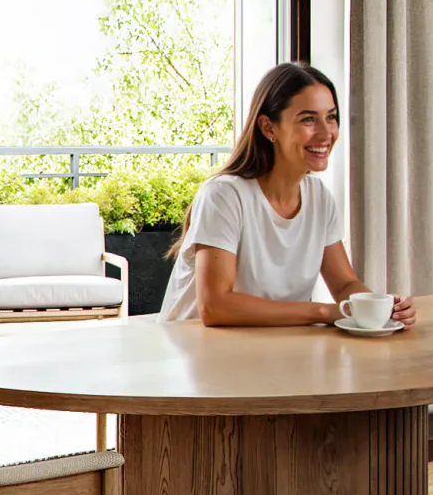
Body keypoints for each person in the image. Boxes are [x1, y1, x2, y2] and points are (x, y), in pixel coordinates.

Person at [160, 61, 415, 328]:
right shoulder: (224, 195)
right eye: (308, 119)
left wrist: (379, 307)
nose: (326, 133)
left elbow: (344, 284)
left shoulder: (319, 198)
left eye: (331, 117)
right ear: (269, 128)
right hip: (196, 354)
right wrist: (323, 312)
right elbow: (215, 307)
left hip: (267, 350)